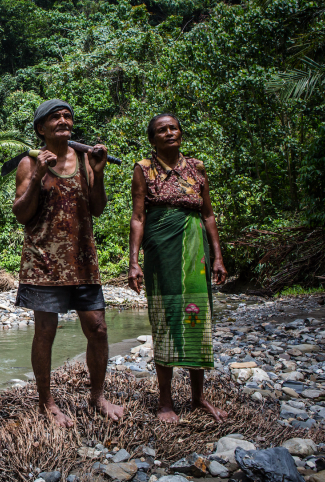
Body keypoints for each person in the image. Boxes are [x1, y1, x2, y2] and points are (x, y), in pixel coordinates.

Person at [12, 98, 123, 427]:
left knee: (98, 328)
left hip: (83, 261)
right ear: (41, 129)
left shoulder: (86, 160)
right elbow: (21, 214)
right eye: (55, 117)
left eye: (67, 116)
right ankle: (46, 403)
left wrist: (99, 174)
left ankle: (98, 396)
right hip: (43, 263)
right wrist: (38, 176)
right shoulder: (29, 163)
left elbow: (97, 208)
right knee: (45, 332)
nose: (63, 121)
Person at [127, 113, 228, 423]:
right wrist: (133, 262)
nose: (169, 132)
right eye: (162, 130)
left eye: (173, 128)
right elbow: (138, 217)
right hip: (161, 252)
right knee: (166, 316)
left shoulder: (197, 167)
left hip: (196, 250)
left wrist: (218, 257)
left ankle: (198, 398)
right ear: (153, 139)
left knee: (198, 317)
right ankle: (165, 401)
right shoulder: (144, 169)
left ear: (181, 133)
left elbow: (208, 214)